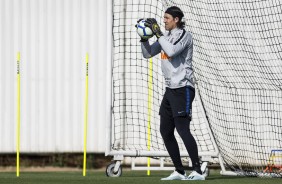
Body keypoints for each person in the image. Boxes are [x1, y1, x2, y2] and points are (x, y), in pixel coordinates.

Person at [137, 6, 206, 181]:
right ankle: (179, 170)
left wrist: (158, 34)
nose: (164, 20)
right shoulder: (164, 37)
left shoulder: (184, 35)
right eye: (164, 18)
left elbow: (172, 51)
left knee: (183, 130)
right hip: (170, 90)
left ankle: (198, 171)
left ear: (176, 19)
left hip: (183, 88)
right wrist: (144, 38)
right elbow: (148, 54)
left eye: (167, 18)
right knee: (165, 131)